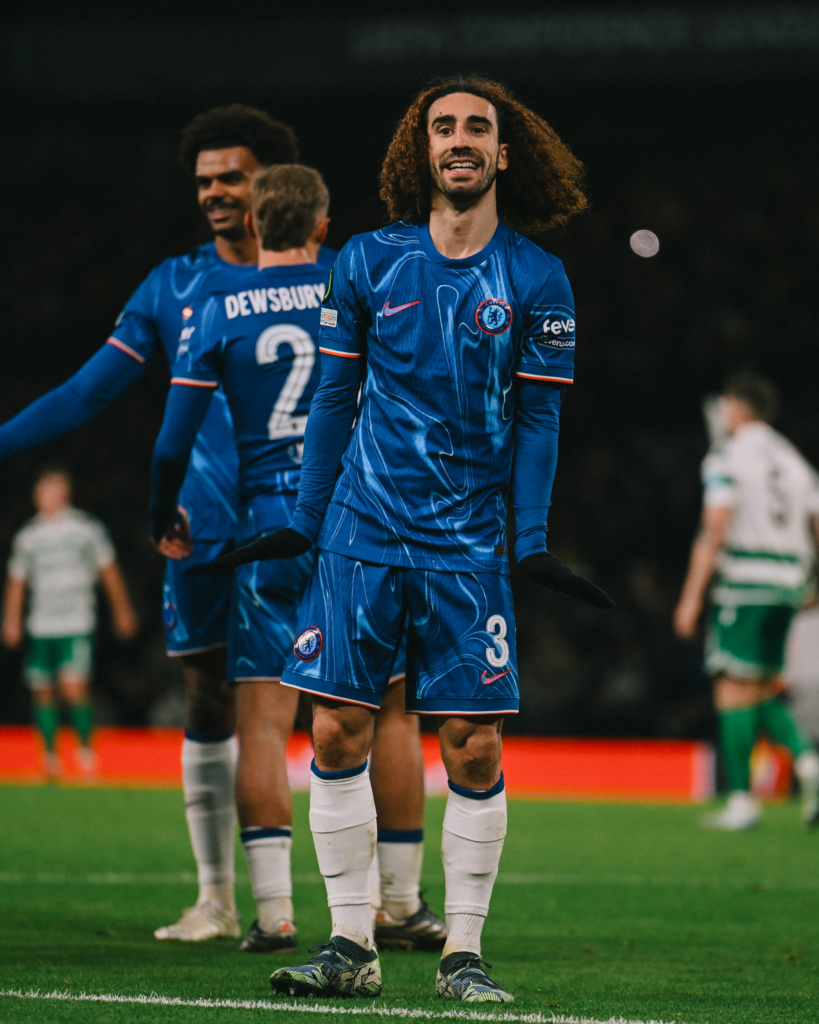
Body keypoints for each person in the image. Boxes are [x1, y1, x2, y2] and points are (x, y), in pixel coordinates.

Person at [0, 103, 440, 951]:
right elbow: (87, 393)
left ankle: (350, 902)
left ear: (268, 180)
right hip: (207, 532)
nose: (212, 194)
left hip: (280, 520)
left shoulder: (339, 273)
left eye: (229, 178)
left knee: (336, 706)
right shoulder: (175, 284)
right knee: (218, 700)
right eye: (201, 182)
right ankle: (219, 898)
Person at [214, 75, 612, 1002]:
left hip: (469, 541)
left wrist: (528, 539)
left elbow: (541, 425)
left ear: (503, 154)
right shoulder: (367, 260)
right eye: (444, 127)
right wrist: (308, 518)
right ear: (420, 149)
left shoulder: (537, 278)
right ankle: (349, 945)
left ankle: (461, 953)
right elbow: (334, 398)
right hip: (363, 529)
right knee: (338, 727)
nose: (460, 139)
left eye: (478, 127)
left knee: (473, 744)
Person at [151, 164, 446, 953]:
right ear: (322, 226)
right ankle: (400, 902)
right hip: (361, 520)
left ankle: (274, 914)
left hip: (268, 525)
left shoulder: (216, 305)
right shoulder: (363, 285)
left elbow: (174, 438)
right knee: (384, 710)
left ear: (253, 221)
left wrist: (160, 512)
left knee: (262, 718)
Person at [674, 373, 819, 830]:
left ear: (739, 407)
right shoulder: (792, 459)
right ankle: (809, 763)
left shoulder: (727, 454)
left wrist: (691, 596)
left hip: (746, 581)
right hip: (788, 582)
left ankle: (742, 800)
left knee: (731, 687)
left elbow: (716, 525)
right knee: (759, 688)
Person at [1, 467, 138, 776]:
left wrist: (122, 610)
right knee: (42, 689)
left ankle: (85, 755)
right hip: (41, 623)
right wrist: (11, 619)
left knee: (74, 687)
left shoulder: (85, 529)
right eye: (43, 490)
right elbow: (17, 580)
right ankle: (50, 759)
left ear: (65, 493)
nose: (47, 496)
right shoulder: (29, 536)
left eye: (53, 489)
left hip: (75, 621)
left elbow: (108, 570)